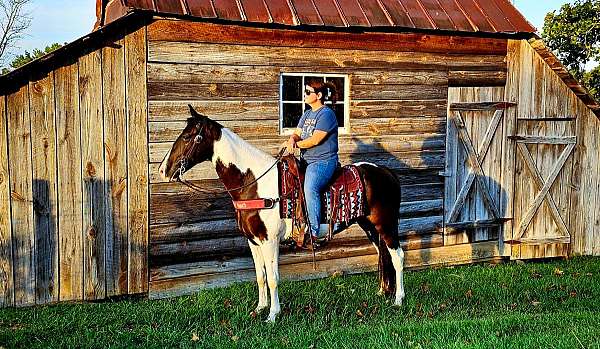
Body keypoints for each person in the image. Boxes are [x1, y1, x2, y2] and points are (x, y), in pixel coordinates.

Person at [284, 79, 339, 245]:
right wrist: (292, 139)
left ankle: (314, 233)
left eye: (308, 92)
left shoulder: (326, 114)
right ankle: (292, 229)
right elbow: (298, 133)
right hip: (306, 160)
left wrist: (296, 145)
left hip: (323, 161)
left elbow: (315, 140)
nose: (305, 95)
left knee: (310, 187)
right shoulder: (307, 114)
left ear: (319, 95)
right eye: (305, 92)